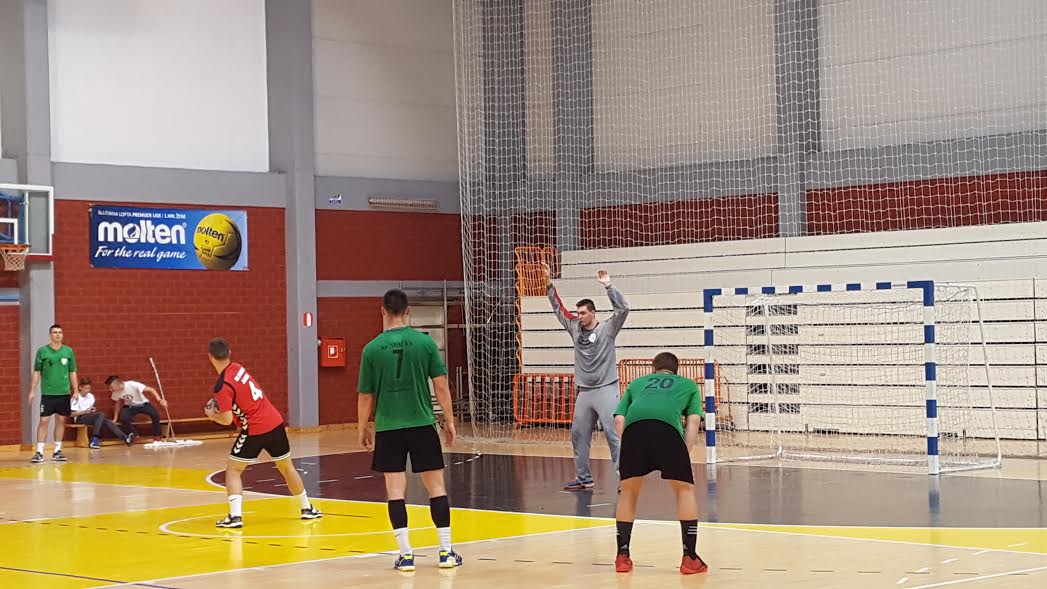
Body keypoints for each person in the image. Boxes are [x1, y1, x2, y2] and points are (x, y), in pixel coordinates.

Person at [357, 288, 462, 572]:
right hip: (422, 424)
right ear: (408, 311)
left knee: (395, 491)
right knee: (436, 487)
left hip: (388, 428)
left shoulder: (371, 349)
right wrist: (450, 421)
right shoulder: (425, 343)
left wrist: (363, 427)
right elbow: (441, 385)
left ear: (382, 311)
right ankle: (446, 552)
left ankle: (405, 556)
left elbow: (365, 396)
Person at [203, 337, 322, 528]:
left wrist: (212, 415)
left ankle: (235, 517)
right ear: (229, 353)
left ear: (210, 357)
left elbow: (226, 419)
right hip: (275, 422)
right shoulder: (238, 368)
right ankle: (307, 508)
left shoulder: (222, 386)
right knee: (287, 468)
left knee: (233, 470)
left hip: (254, 428)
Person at [612, 352, 708, 575]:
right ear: (676, 370)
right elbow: (693, 421)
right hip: (667, 432)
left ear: (653, 370)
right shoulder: (688, 385)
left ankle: (622, 556)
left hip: (634, 432)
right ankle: (690, 558)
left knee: (628, 492)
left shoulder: (637, 383)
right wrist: (683, 453)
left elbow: (618, 419)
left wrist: (629, 447)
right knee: (684, 490)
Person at [543, 262, 629, 490]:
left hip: (606, 389)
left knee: (613, 434)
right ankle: (584, 478)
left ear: (592, 313)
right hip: (585, 391)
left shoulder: (607, 329)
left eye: (583, 313)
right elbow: (559, 309)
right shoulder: (574, 327)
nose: (579, 316)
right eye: (578, 313)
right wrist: (549, 285)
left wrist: (608, 286)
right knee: (578, 433)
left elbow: (623, 310)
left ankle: (626, 477)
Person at [27, 324, 80, 463]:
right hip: (48, 394)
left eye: (60, 332)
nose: (58, 334)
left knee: (61, 420)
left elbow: (72, 372)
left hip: (63, 393)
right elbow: (37, 372)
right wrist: (32, 391)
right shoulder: (42, 351)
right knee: (44, 420)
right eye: (55, 332)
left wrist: (75, 390)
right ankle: (39, 452)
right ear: (50, 335)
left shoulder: (68, 351)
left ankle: (57, 451)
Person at [71, 378, 137, 448]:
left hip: (90, 416)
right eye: (86, 389)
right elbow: (71, 414)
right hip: (79, 418)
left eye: (89, 389)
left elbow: (91, 410)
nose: (87, 391)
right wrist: (84, 412)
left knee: (106, 420)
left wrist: (92, 410)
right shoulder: (76, 397)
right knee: (101, 415)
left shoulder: (90, 396)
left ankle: (125, 438)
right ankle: (95, 438)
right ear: (80, 387)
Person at [107, 375, 167, 442]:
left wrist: (160, 400)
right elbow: (117, 404)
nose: (110, 390)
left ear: (118, 385)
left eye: (111, 387)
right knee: (124, 418)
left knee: (155, 415)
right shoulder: (115, 392)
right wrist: (115, 419)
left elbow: (151, 389)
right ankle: (135, 436)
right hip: (129, 407)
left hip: (143, 404)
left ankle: (157, 435)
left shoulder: (132, 384)